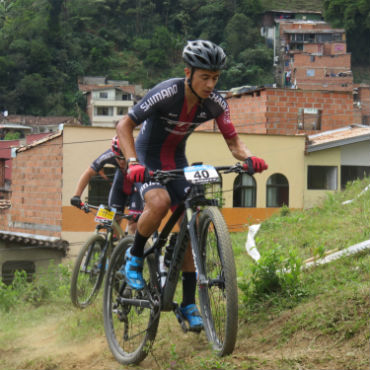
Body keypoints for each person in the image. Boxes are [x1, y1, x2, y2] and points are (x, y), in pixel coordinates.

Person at [116, 40, 268, 330]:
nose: (211, 84)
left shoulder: (216, 103)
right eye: (205, 77)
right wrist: (134, 162)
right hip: (147, 159)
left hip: (177, 162)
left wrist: (250, 158)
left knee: (192, 226)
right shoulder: (167, 92)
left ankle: (188, 303)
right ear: (188, 72)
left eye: (216, 78)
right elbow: (124, 125)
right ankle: (134, 256)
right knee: (159, 203)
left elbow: (234, 142)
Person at [70, 136, 142, 234]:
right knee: (110, 223)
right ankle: (113, 245)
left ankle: (133, 247)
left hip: (137, 186)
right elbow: (89, 172)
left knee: (133, 225)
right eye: (118, 157)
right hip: (120, 184)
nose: (121, 161)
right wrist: (76, 195)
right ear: (113, 153)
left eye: (124, 158)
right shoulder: (109, 155)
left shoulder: (140, 155)